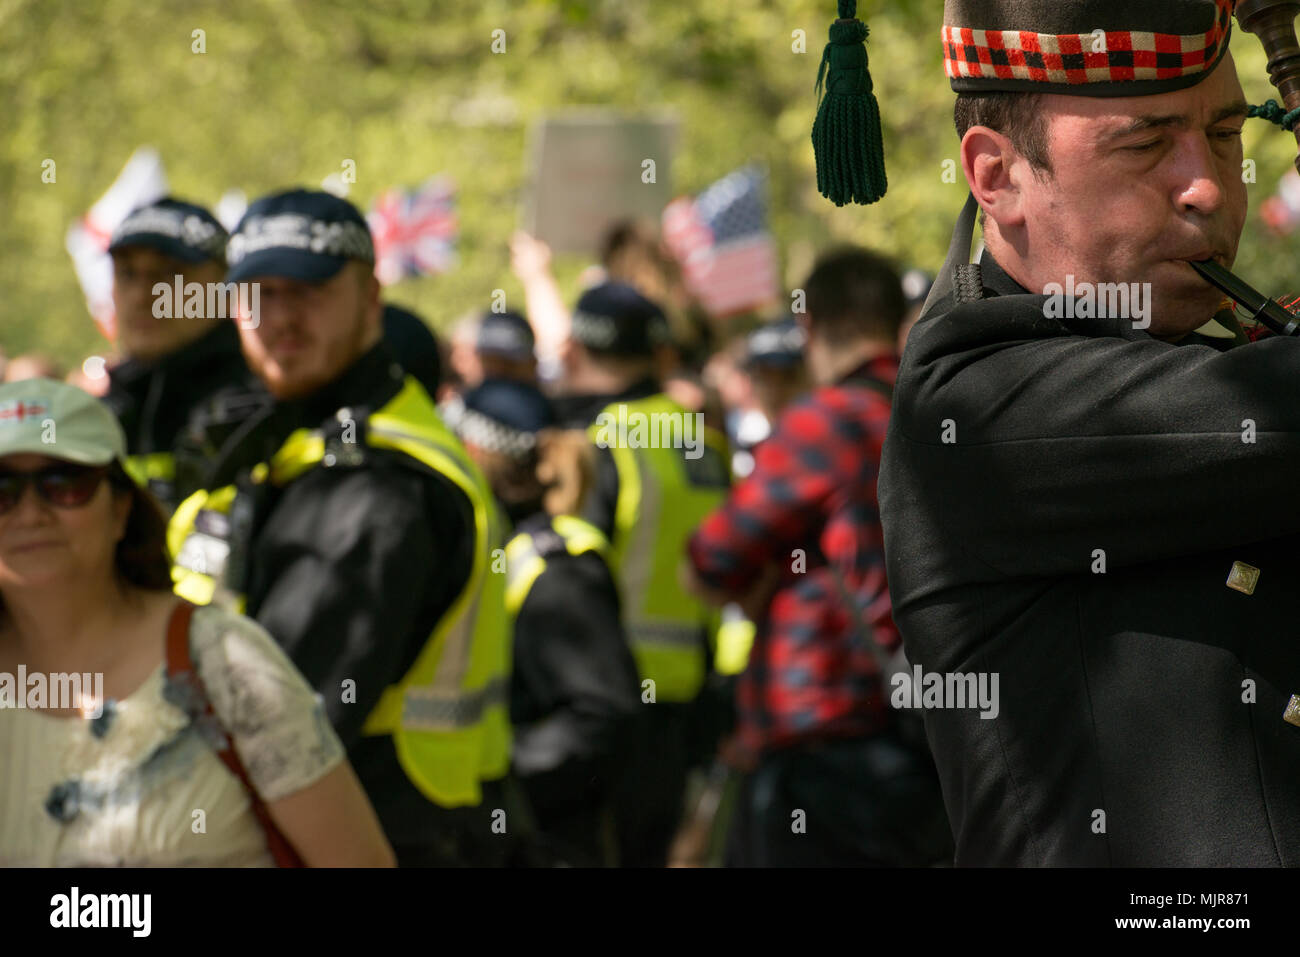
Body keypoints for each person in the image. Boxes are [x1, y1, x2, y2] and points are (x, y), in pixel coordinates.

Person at [875, 0, 1300, 865]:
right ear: (996, 176)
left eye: (1225, 133)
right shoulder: (970, 401)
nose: (1209, 186)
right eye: (1144, 145)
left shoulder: (1194, 350)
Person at [165, 188, 517, 866]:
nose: (280, 319)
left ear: (371, 300)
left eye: (308, 291)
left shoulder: (375, 488)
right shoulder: (307, 438)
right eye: (259, 294)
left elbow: (281, 727)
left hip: (377, 836)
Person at [0, 379, 393, 867]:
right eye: (2, 490)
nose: (30, 512)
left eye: (65, 484)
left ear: (122, 508)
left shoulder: (224, 660)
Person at [686, 248, 951, 866]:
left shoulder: (829, 420)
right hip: (929, 735)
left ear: (808, 326)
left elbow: (708, 560)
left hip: (826, 744)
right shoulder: (943, 413)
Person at [546, 280, 732, 866]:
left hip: (601, 698)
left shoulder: (596, 441)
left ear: (574, 350)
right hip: (687, 705)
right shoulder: (705, 443)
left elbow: (565, 575)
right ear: (658, 355)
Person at [445, 378, 640, 866]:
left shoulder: (559, 567)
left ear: (473, 450)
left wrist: (498, 773)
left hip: (549, 840)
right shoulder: (504, 545)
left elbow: (598, 716)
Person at [101, 197, 250, 514]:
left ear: (225, 286)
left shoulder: (259, 410)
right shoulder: (100, 418)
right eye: (127, 274)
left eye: (169, 274)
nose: (143, 296)